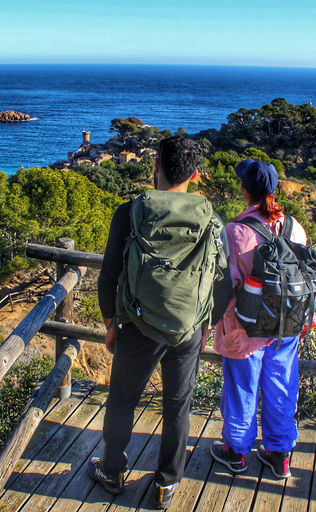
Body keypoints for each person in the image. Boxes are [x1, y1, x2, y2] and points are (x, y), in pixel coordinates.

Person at [89, 135, 231, 509]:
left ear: (156, 168)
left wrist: (110, 323)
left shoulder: (130, 212)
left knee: (122, 400)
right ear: (195, 175)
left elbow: (108, 275)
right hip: (188, 330)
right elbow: (225, 283)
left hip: (137, 324)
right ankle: (167, 483)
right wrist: (206, 326)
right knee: (177, 408)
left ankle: (113, 470)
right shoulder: (213, 221)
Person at [209, 159, 312, 479]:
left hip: (246, 326)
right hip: (287, 325)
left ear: (244, 191)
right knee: (282, 386)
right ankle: (279, 454)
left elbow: (224, 284)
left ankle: (237, 452)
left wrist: (211, 323)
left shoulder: (235, 231)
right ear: (274, 191)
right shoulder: (296, 227)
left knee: (242, 388)